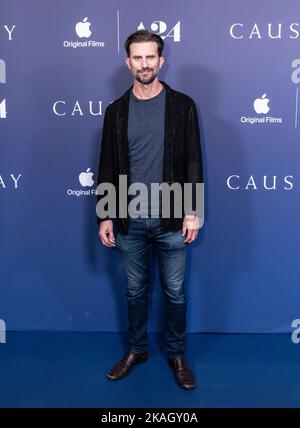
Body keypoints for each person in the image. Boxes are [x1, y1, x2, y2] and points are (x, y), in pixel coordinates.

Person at [96, 29, 204, 390]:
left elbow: (193, 162)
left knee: (175, 292)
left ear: (161, 60)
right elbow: (108, 165)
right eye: (137, 58)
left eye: (150, 57)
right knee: (134, 291)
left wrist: (192, 210)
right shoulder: (116, 111)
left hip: (172, 216)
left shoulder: (182, 106)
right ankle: (137, 349)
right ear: (128, 62)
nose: (144, 64)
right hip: (129, 219)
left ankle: (176, 354)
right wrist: (106, 214)